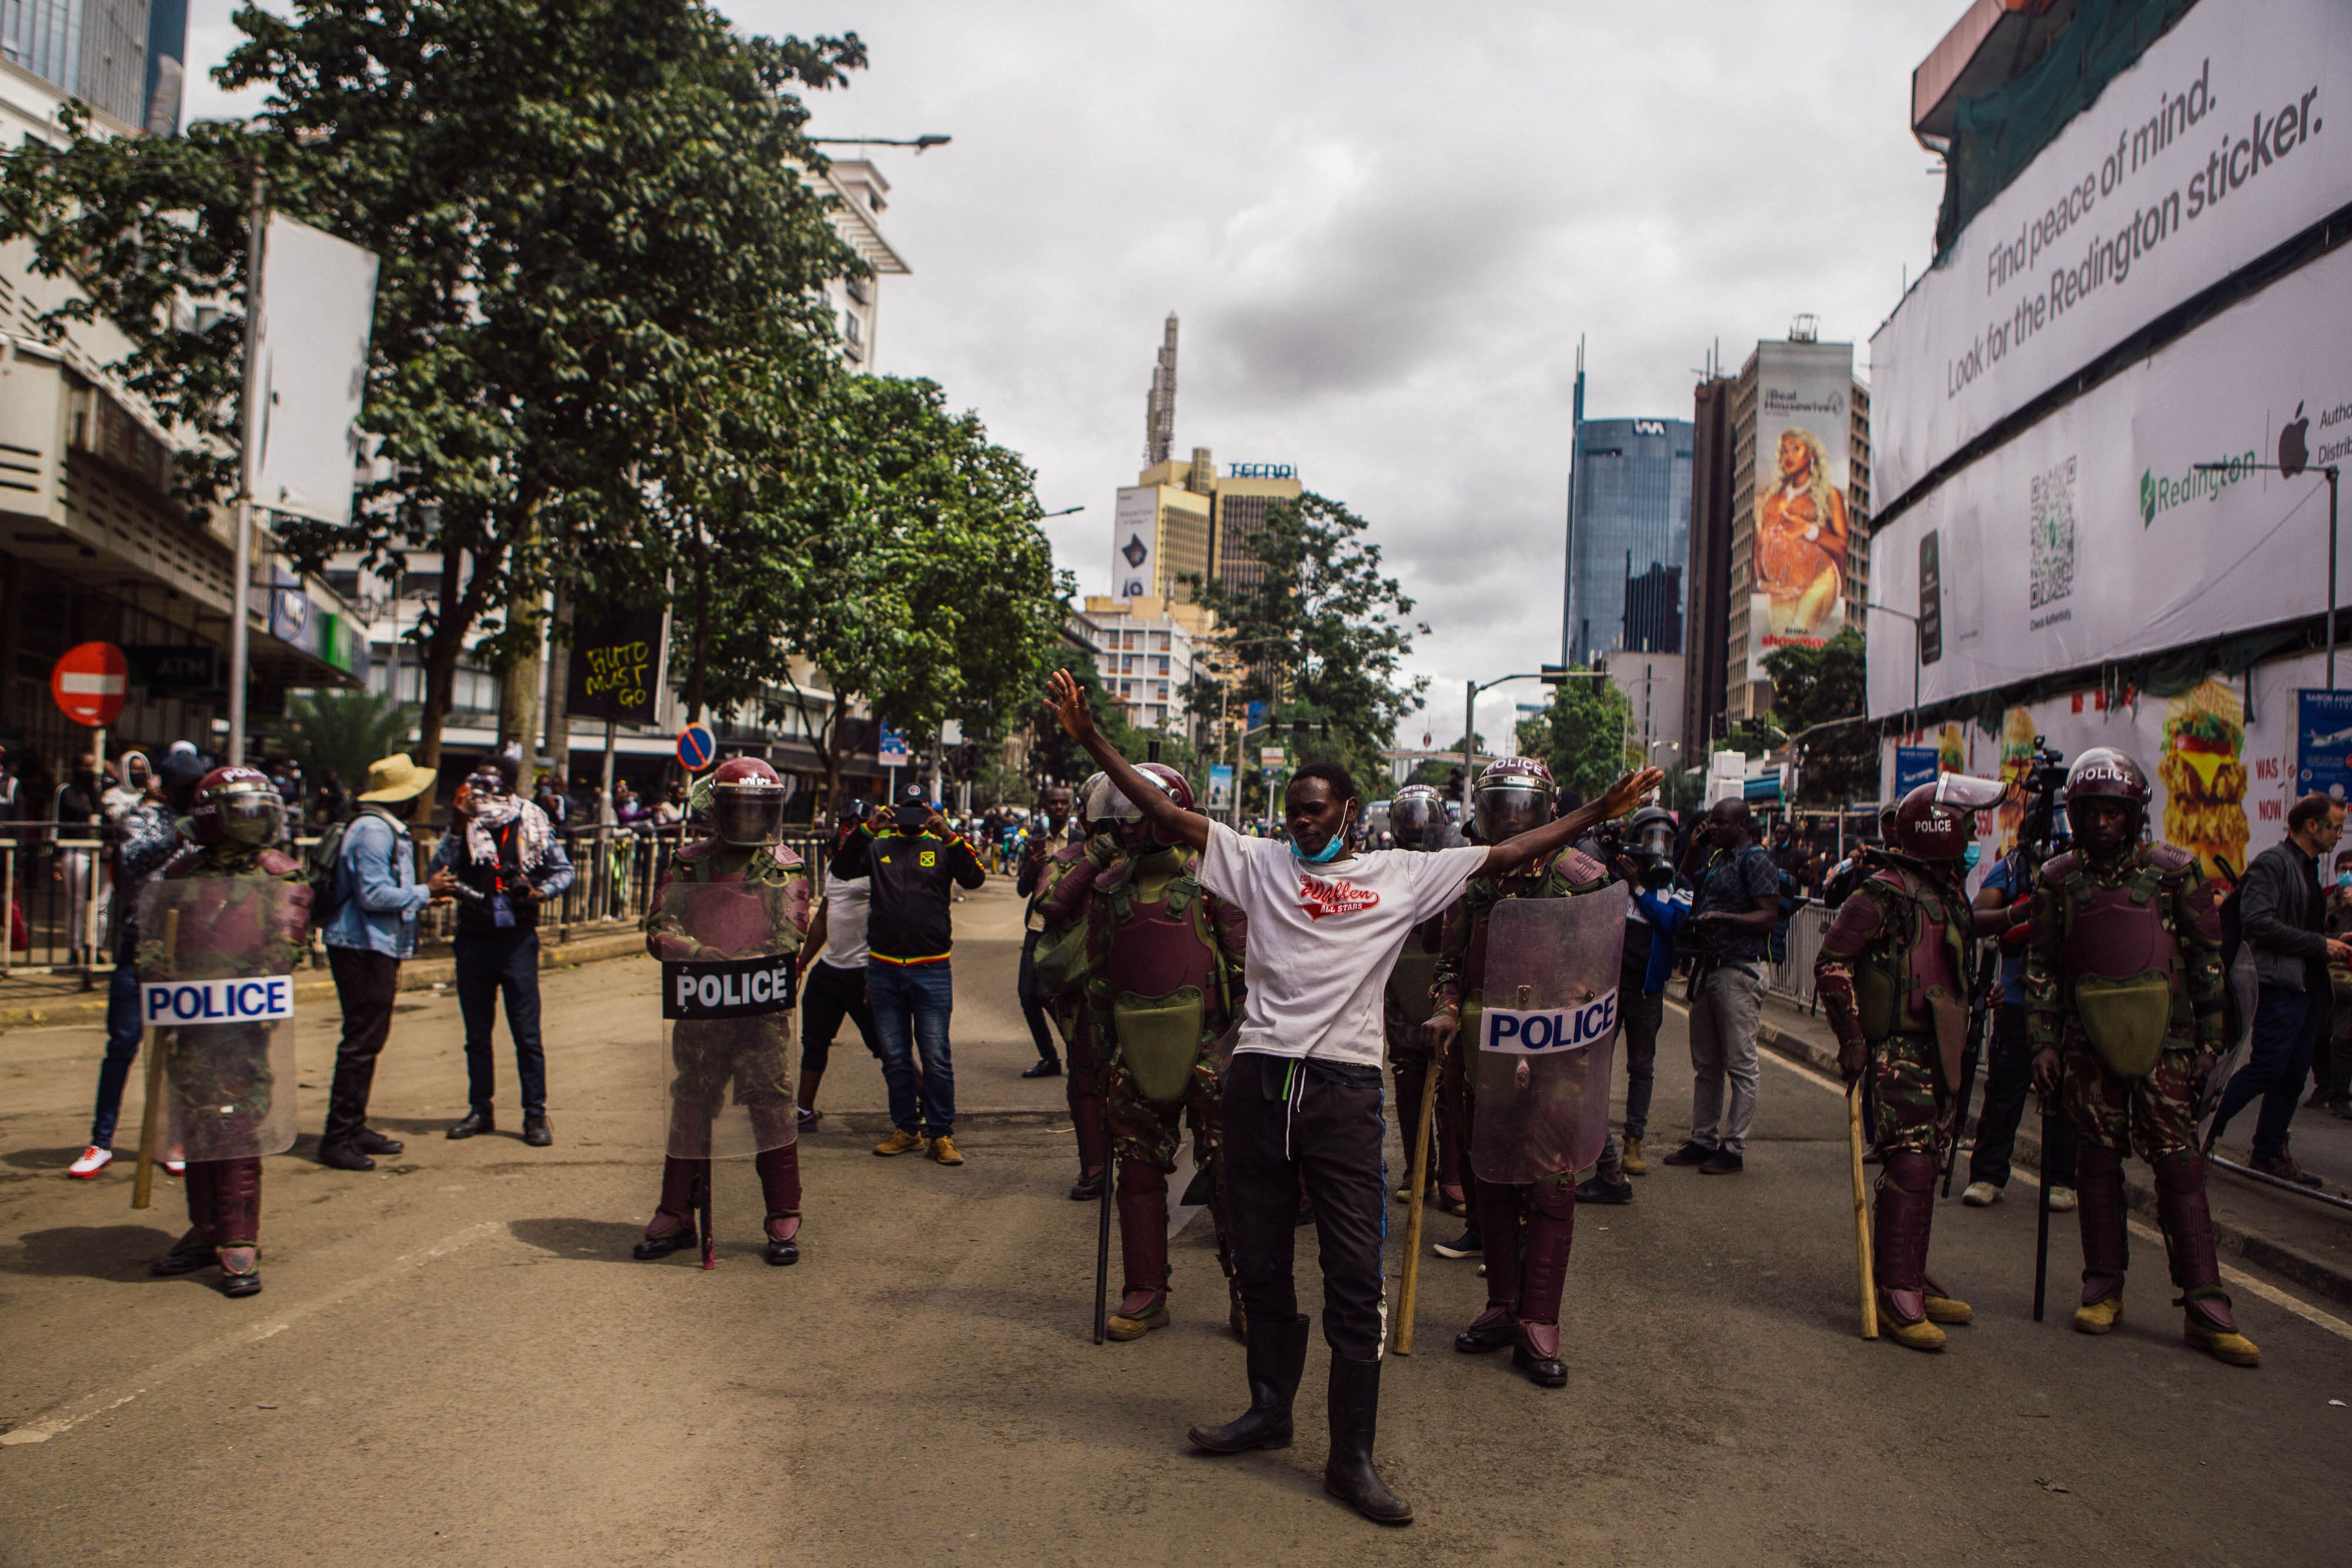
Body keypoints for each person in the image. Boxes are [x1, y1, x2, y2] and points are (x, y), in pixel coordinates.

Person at [1044, 667, 1661, 1526]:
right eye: (1293, 808)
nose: (1300, 821)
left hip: (1342, 1092)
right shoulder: (1256, 863)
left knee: (1352, 1274)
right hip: (1261, 1080)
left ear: (1348, 813)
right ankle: (1268, 1408)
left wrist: (1599, 810)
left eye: (1315, 809)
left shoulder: (1401, 876)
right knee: (1259, 1258)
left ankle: (1351, 1455)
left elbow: (1512, 853)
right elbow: (1170, 816)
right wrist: (1090, 739)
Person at [2024, 748, 2257, 1366]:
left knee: (2179, 1168)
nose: (2102, 824)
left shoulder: (2176, 873)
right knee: (2096, 1165)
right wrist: (2043, 1043)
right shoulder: (2056, 879)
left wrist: (2212, 1046)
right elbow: (2043, 967)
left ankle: (2205, 1301)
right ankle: (2102, 1284)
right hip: (2087, 1047)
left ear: (2132, 815)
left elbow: (2209, 964)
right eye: (2090, 812)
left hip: (2169, 1047)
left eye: (2112, 812)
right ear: (2075, 815)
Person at [1424, 758, 1611, 1388]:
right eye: (1495, 805)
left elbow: (1606, 963)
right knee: (1494, 1178)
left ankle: (1539, 1321)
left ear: (1547, 809)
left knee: (1553, 1186)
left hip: (1558, 1057)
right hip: (1488, 1053)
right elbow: (1451, 963)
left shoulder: (1579, 881)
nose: (1507, 818)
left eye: (1519, 806)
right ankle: (1503, 1306)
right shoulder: (1476, 882)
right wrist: (1447, 1011)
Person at [1814, 774, 2004, 1351]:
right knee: (1911, 1165)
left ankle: (1910, 1272)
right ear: (1939, 829)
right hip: (1899, 1047)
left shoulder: (1943, 892)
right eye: (1966, 826)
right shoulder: (1882, 892)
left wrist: (2025, 912)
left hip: (1942, 1043)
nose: (1973, 836)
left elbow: (1964, 935)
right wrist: (1850, 1038)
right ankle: (1896, 1293)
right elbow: (1832, 965)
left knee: (1929, 1162)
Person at [1087, 763, 1248, 1339]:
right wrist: (1102, 1053)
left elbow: (1244, 971)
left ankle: (1246, 1293)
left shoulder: (1215, 882)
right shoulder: (1108, 888)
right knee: (1135, 1169)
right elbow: (1101, 977)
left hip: (1211, 1048)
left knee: (1230, 1171)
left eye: (1137, 817)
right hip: (1134, 1050)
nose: (1126, 830)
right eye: (1120, 819)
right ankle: (1145, 1291)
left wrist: (1240, 1054)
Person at [144, 767, 313, 1297]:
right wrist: (154, 973)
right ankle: (205, 1227)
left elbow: (286, 945)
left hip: (241, 1024)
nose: (256, 817)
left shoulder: (280, 875)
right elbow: (152, 935)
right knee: (193, 1122)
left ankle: (239, 1236)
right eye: (243, 807)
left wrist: (250, 978)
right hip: (189, 1022)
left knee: (237, 1122)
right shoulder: (183, 873)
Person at [636, 758, 811, 1266]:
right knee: (691, 1101)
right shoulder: (688, 863)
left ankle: (784, 1212)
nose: (754, 820)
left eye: (763, 809)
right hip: (702, 1009)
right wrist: (695, 953)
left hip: (762, 1012)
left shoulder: (787, 865)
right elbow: (658, 925)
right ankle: (675, 1212)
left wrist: (753, 962)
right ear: (719, 810)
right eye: (744, 809)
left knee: (772, 1103)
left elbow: (792, 932)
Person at [828, 783, 986, 1165]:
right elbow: (842, 868)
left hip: (931, 967)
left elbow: (975, 877)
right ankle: (907, 1128)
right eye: (907, 808)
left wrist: (948, 833)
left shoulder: (941, 845)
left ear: (929, 811)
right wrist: (869, 827)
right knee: (895, 1056)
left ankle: (941, 1134)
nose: (913, 816)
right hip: (883, 969)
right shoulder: (878, 845)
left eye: (920, 809)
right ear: (895, 810)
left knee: (935, 1056)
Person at [428, 753, 575, 1145]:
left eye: (490, 783)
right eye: (477, 781)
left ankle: (535, 1115)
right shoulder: (465, 822)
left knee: (526, 1034)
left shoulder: (531, 820)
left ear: (509, 787)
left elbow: (565, 870)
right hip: (473, 940)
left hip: (517, 943)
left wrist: (540, 891)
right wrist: (458, 826)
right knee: (477, 1035)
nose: (481, 790)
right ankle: (481, 1109)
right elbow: (437, 870)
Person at [68, 750, 200, 1179]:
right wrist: (176, 836)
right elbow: (131, 860)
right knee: (123, 1043)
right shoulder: (144, 817)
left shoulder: (206, 824)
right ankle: (101, 1140)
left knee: (178, 1047)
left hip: (186, 949)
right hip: (141, 943)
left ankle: (172, 1138)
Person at [2206, 793, 2346, 1185]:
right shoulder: (2274, 863)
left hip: (2306, 987)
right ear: (2312, 826)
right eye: (2334, 825)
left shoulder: (2307, 867)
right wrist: (2320, 944)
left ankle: (2268, 1151)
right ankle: (2201, 1133)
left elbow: (2298, 923)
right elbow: (2258, 921)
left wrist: (2332, 938)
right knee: (2267, 1066)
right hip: (2278, 984)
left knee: (2293, 1074)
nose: (2339, 834)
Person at [315, 753, 442, 1172]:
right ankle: (339, 1135)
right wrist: (427, 890)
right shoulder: (374, 831)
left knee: (368, 1039)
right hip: (362, 944)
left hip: (372, 943)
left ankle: (354, 1126)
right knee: (361, 1041)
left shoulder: (381, 828)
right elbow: (374, 895)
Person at [1961, 794, 2079, 1211]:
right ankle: (1988, 1174)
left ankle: (2063, 1179)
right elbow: (1975, 918)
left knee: (2066, 1095)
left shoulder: (2085, 870)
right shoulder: (2010, 869)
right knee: (2004, 1094)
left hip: (2073, 1005)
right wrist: (2022, 914)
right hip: (2018, 999)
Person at [1663, 798, 1782, 1175]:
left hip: (1739, 970)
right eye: (1711, 822)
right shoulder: (1715, 859)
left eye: (1722, 823)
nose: (1713, 827)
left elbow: (1767, 915)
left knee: (1741, 1065)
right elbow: (1680, 886)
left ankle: (1733, 1147)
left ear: (1743, 825)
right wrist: (1694, 849)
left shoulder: (1756, 860)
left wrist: (1724, 919)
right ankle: (1703, 1139)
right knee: (1707, 1063)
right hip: (1710, 967)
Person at [1581, 805, 1689, 1201]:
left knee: (1641, 1066)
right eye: (1649, 838)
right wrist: (1616, 873)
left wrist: (1639, 888)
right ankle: (1594, 1140)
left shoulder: (1677, 884)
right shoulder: (1613, 876)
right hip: (1608, 991)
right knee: (1593, 1066)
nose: (1656, 847)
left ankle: (1633, 1142)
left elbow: (1671, 922)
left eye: (1664, 839)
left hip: (1647, 992)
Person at [1380, 785, 1465, 1219]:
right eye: (1406, 817)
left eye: (1422, 816)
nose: (1414, 825)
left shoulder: (1455, 864)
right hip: (1401, 986)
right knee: (1409, 1078)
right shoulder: (1385, 868)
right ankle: (1418, 1169)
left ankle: (1452, 1173)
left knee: (1450, 1082)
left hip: (1443, 982)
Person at [1036, 775, 1120, 1199]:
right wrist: (1092, 862)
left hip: (1137, 990)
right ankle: (1095, 1166)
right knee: (1086, 1080)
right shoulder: (1067, 859)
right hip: (1084, 992)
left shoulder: (1144, 860)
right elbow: (1048, 905)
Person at [796, 799, 883, 1126]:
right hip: (830, 971)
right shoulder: (837, 865)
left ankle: (925, 1106)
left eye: (858, 823)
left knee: (886, 1048)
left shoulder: (880, 862)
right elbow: (824, 916)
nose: (850, 828)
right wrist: (803, 961)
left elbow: (889, 919)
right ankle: (804, 1110)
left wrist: (875, 972)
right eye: (846, 823)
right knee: (814, 1042)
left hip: (864, 971)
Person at [1013, 784, 1077, 1079]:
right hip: (1036, 926)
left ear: (1071, 807)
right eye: (1054, 803)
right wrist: (1031, 869)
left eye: (1064, 803)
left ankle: (1077, 1050)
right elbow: (1022, 890)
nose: (1059, 808)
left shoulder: (1081, 841)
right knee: (1027, 995)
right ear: (1045, 806)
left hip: (1064, 931)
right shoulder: (1036, 843)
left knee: (1047, 993)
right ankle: (1049, 1058)